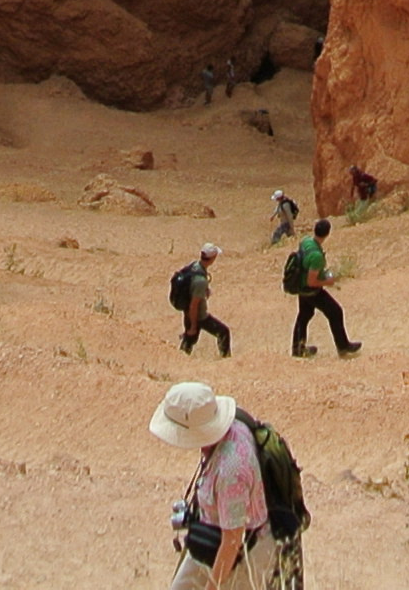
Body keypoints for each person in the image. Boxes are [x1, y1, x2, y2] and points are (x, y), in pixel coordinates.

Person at [150, 379, 288, 587]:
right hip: (213, 540)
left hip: (244, 554)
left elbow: (232, 539)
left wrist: (213, 586)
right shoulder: (234, 426)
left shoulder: (231, 471)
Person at [284, 218, 359, 357]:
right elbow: (312, 281)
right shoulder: (317, 256)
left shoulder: (306, 241)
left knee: (304, 315)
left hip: (301, 286)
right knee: (335, 312)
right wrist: (327, 282)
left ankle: (298, 349)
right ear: (327, 233)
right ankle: (343, 346)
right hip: (310, 290)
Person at [170, 243, 231, 357]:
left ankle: (179, 360)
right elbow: (194, 305)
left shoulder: (194, 266)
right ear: (212, 258)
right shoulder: (200, 281)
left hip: (189, 313)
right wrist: (193, 325)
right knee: (223, 332)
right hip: (198, 316)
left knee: (189, 341)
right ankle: (226, 359)